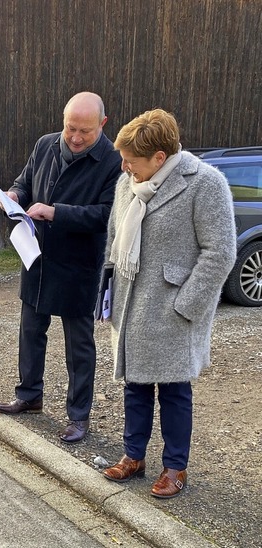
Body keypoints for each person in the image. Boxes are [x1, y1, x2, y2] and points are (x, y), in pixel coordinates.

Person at [101, 109, 237, 498]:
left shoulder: (205, 184)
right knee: (134, 385)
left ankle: (176, 467)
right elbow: (114, 240)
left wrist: (187, 306)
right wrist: (106, 294)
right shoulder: (127, 183)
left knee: (175, 391)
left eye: (132, 159)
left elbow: (220, 253)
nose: (124, 166)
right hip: (131, 308)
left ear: (160, 157)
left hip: (173, 310)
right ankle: (133, 456)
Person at [0, 92, 122, 443]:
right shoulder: (45, 144)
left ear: (103, 125)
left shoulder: (113, 161)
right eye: (70, 129)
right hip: (36, 255)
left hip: (79, 266)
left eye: (85, 131)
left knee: (78, 346)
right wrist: (15, 195)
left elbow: (109, 215)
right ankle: (28, 395)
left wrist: (56, 212)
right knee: (30, 331)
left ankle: (78, 416)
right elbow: (25, 180)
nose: (76, 138)